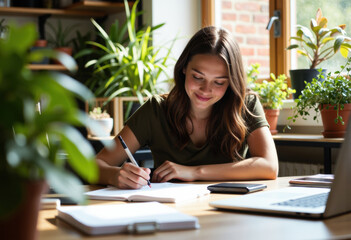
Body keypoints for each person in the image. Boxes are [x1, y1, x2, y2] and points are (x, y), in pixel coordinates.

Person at [96, 26, 279, 189]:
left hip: (229, 212)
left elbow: (269, 166)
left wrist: (194, 172)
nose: (206, 90)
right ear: (184, 68)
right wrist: (115, 175)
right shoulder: (156, 111)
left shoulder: (246, 106)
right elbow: (97, 164)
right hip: (174, 211)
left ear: (231, 82)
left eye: (219, 82)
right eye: (198, 77)